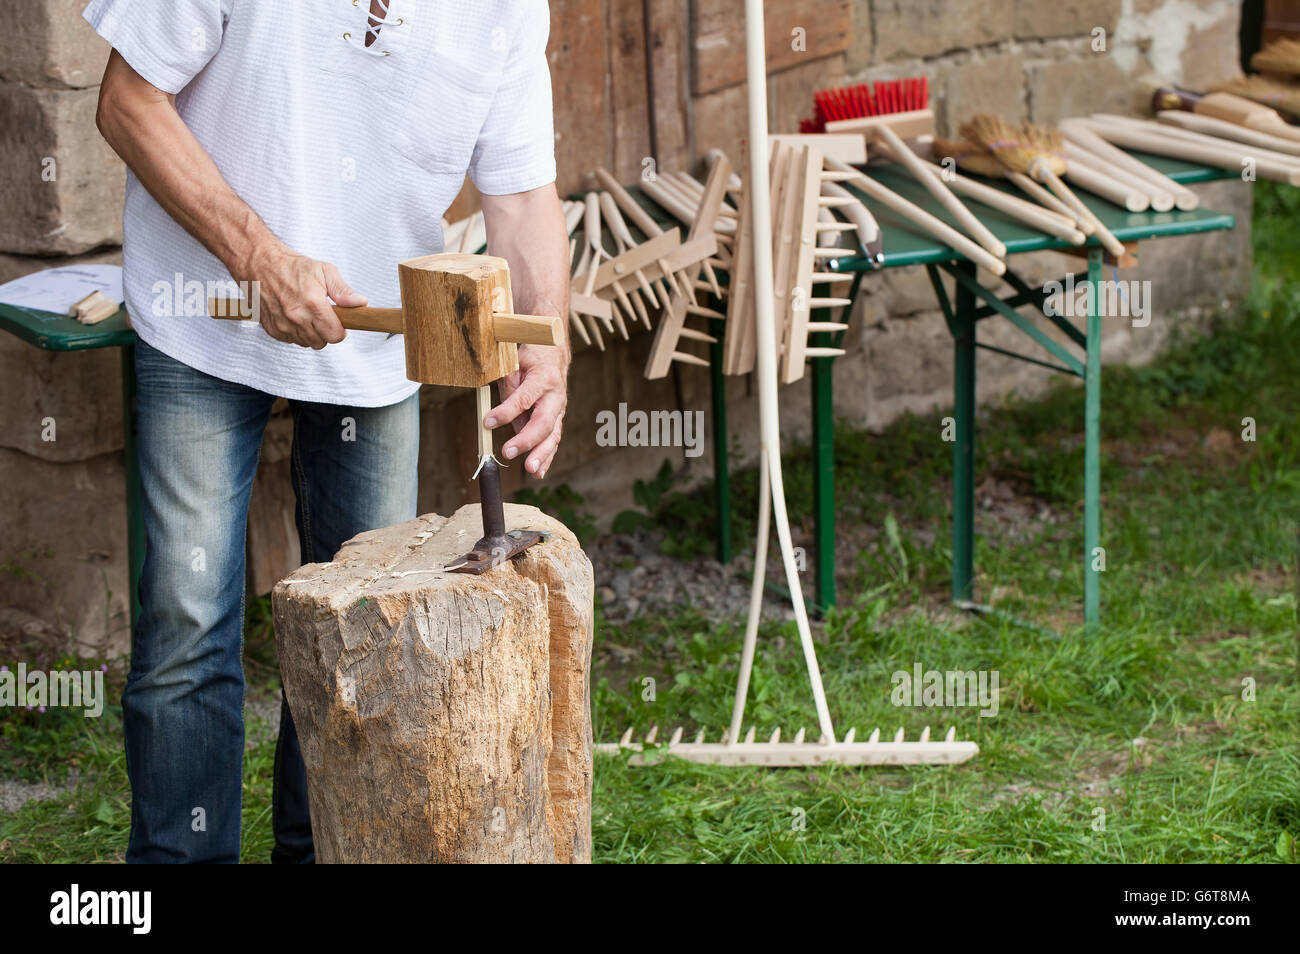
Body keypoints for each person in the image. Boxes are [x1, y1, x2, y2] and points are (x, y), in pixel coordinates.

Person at [84, 0, 570, 863]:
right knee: (187, 627)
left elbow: (524, 193)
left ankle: (324, 856)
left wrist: (547, 339)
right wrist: (258, 255)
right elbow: (128, 101)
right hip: (202, 312)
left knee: (359, 637)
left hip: (375, 358)